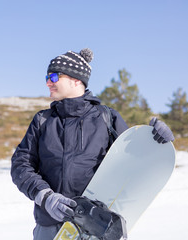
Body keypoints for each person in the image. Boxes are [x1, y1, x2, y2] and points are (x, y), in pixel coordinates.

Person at [11, 48, 174, 239]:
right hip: (50, 227)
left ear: (76, 79)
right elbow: (20, 165)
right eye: (47, 77)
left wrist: (155, 139)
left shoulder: (106, 118)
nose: (48, 82)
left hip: (97, 228)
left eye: (54, 76)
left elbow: (133, 162)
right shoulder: (43, 120)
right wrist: (46, 197)